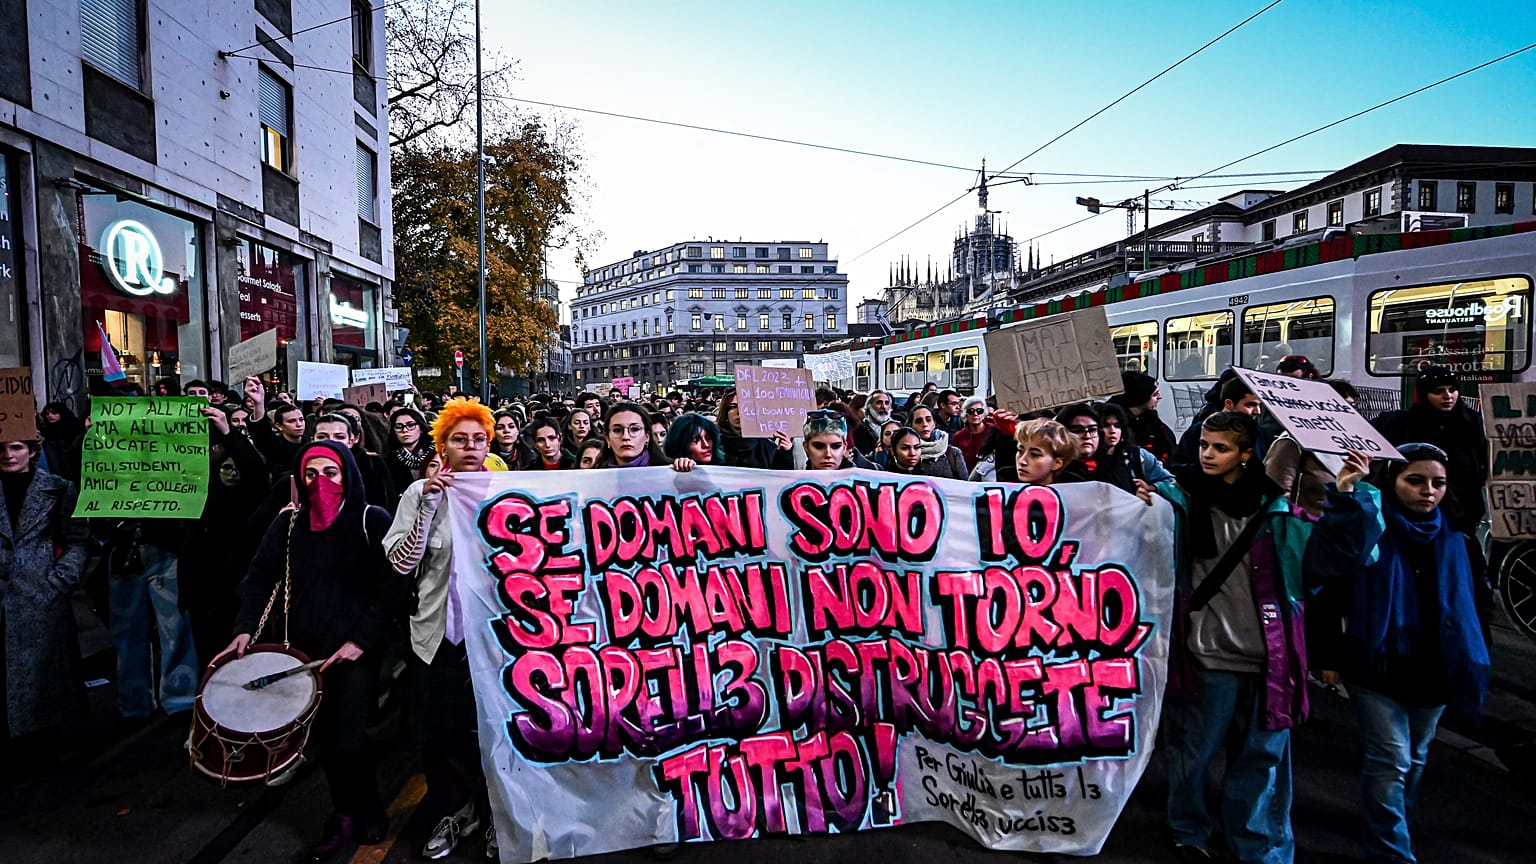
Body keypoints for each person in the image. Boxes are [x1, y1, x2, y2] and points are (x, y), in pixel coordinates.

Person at [1305, 444, 1490, 864]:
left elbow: (1477, 605)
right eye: (1416, 480)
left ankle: (1388, 824)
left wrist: (1476, 658)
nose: (1428, 491)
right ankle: (1391, 851)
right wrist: (1346, 494)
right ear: (1392, 481)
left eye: (1437, 483)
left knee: (1415, 758)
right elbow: (1329, 578)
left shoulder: (1456, 537)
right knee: (1391, 758)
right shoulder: (1371, 527)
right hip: (1377, 662)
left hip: (1437, 665)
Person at [220, 441, 396, 860]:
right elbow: (259, 578)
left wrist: (361, 640)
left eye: (330, 473)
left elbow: (390, 588)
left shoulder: (372, 521)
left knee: (350, 739)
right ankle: (344, 816)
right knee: (326, 743)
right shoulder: (288, 526)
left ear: (348, 475)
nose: (321, 483)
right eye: (311, 474)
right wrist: (245, 629)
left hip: (354, 653)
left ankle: (368, 808)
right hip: (300, 654)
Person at [1152, 411, 1314, 864]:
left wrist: (1356, 494)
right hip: (1204, 655)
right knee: (1192, 755)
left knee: (1260, 762)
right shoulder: (1176, 498)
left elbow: (1331, 562)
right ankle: (1190, 831)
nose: (1206, 455)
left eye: (1220, 448)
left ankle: (1257, 844)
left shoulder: (1278, 509)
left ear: (1246, 454)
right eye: (1204, 445)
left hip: (1268, 659)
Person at [383, 401, 498, 859]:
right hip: (433, 636)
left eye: (478, 439)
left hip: (491, 640)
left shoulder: (507, 491)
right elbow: (402, 564)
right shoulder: (416, 494)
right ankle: (453, 811)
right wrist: (429, 504)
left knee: (491, 732)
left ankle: (495, 816)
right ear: (442, 445)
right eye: (459, 439)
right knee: (439, 735)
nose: (469, 447)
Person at [1, 439, 90, 775]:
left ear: (32, 452)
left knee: (43, 678)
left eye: (16, 448)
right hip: (7, 598)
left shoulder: (57, 489)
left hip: (39, 595)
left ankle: (42, 750)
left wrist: (61, 580)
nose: (9, 456)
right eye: (3, 449)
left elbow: (78, 539)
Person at [1373, 365, 1488, 534]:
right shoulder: (1405, 424)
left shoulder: (1472, 423)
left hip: (1462, 510)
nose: (1448, 396)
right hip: (1416, 509)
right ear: (1424, 394)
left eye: (1452, 390)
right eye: (1438, 391)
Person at [1109, 371, 1177, 465]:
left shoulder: (1153, 422)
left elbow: (1168, 448)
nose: (1159, 397)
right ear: (1140, 398)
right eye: (1154, 394)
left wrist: (1161, 463)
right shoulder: (1112, 421)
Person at [715, 390, 794, 470]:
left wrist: (785, 455)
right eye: (733, 407)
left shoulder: (768, 447)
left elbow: (782, 479)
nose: (740, 412)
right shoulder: (713, 444)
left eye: (746, 406)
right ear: (725, 412)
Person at [801, 410, 875, 471]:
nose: (828, 454)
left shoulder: (865, 484)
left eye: (836, 446)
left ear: (844, 447)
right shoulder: (793, 485)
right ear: (806, 447)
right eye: (819, 446)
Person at [1013, 419, 1079, 486]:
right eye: (1020, 451)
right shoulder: (1003, 486)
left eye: (1034, 454)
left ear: (1057, 463)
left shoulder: (1074, 493)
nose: (1022, 461)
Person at [907, 405, 967, 479]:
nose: (925, 424)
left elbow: (965, 485)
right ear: (911, 425)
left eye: (928, 420)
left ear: (934, 423)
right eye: (919, 421)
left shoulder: (953, 453)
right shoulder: (907, 454)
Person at [386, 407, 435, 495]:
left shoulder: (436, 454)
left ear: (421, 429)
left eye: (411, 425)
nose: (404, 430)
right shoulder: (388, 459)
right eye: (398, 427)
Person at [950, 396, 997, 471]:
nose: (975, 414)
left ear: (984, 413)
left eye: (979, 411)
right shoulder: (959, 436)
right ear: (966, 414)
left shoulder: (994, 431)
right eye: (971, 411)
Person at [855, 390, 895, 455]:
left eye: (887, 403)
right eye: (879, 403)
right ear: (869, 407)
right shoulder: (858, 430)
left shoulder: (898, 427)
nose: (883, 407)